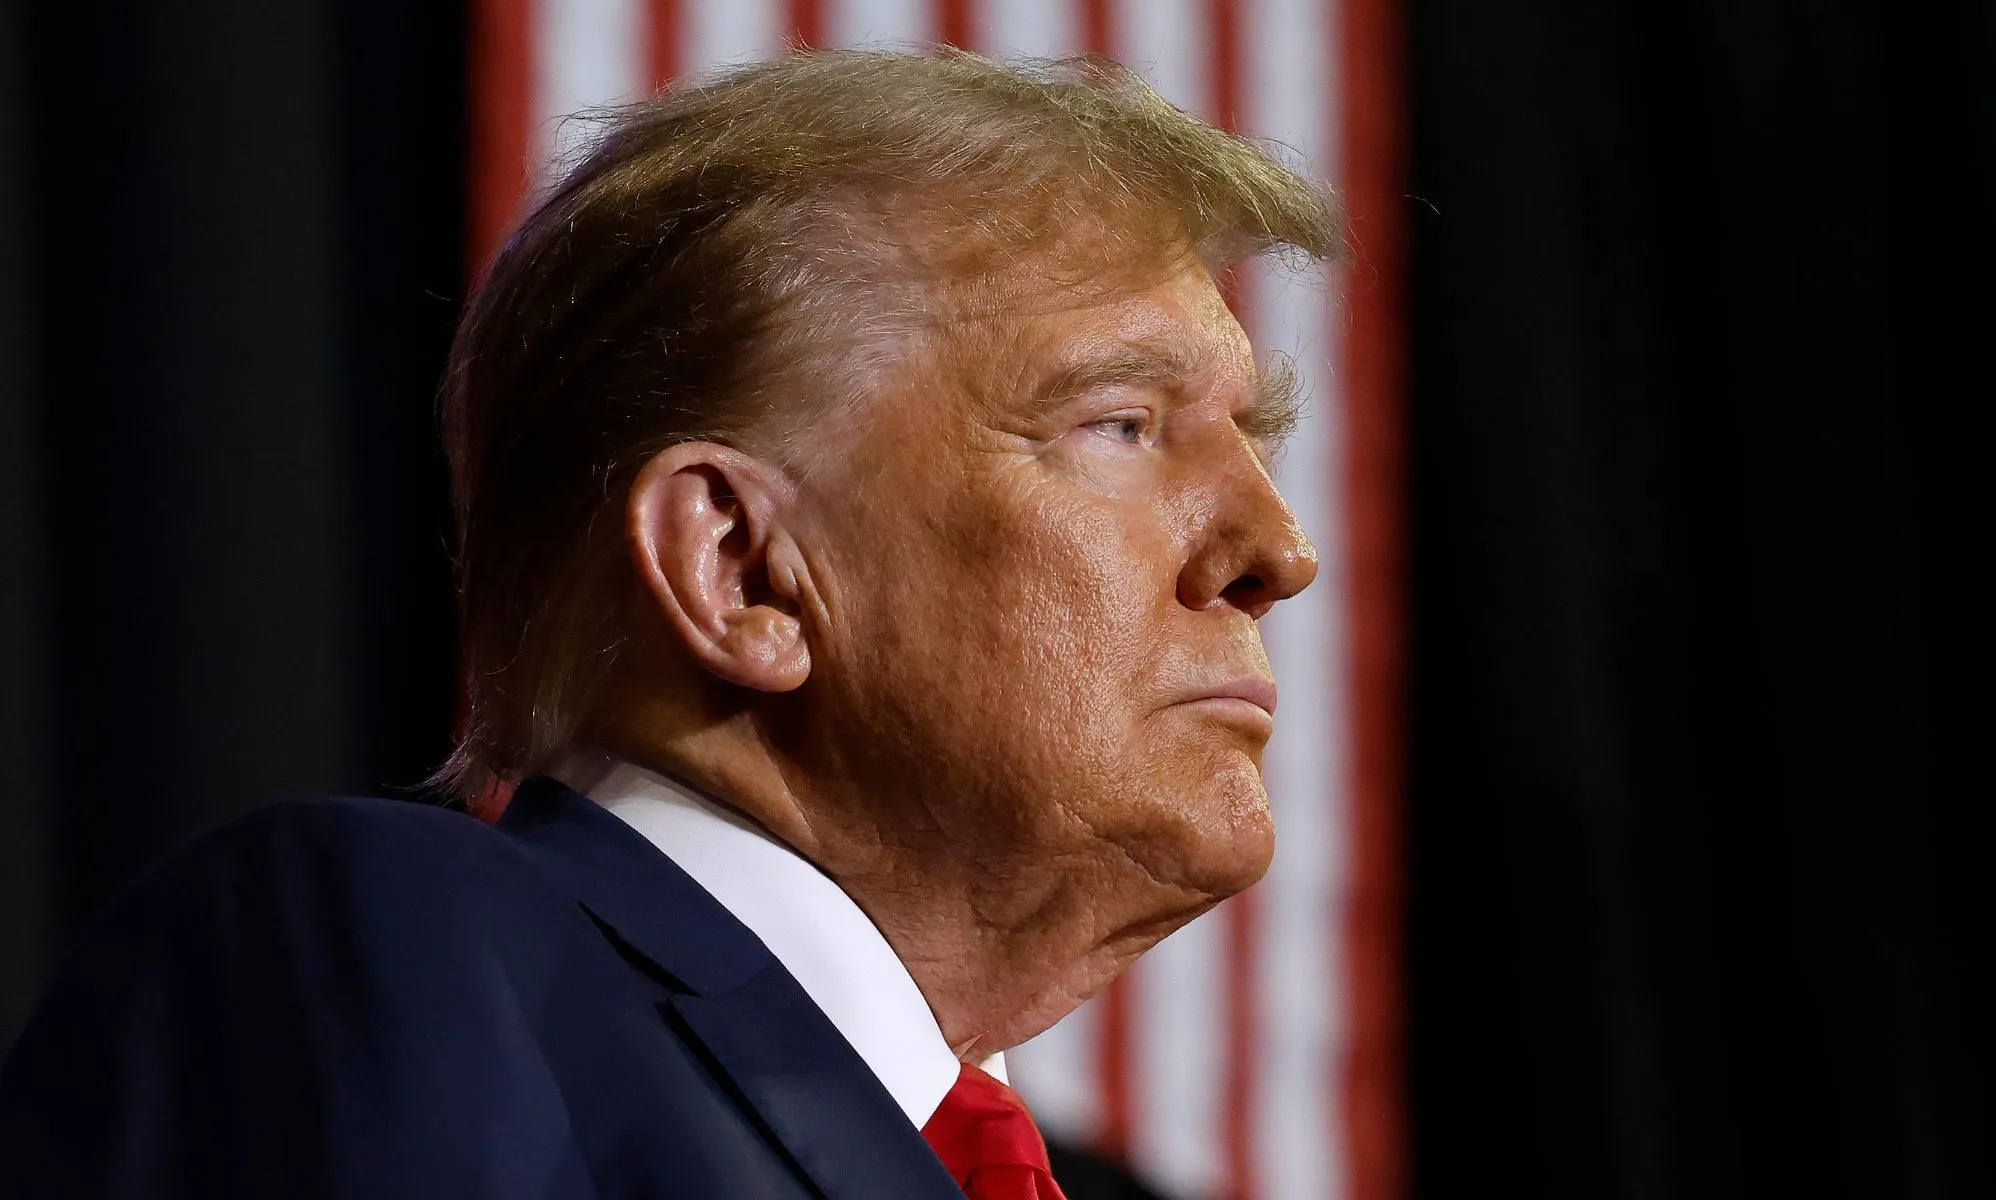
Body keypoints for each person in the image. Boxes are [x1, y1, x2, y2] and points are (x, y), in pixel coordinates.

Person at [0, 50, 1333, 1198]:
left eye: (1249, 437)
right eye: (1120, 425)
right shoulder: (422, 961)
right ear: (741, 567)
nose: (1277, 550)